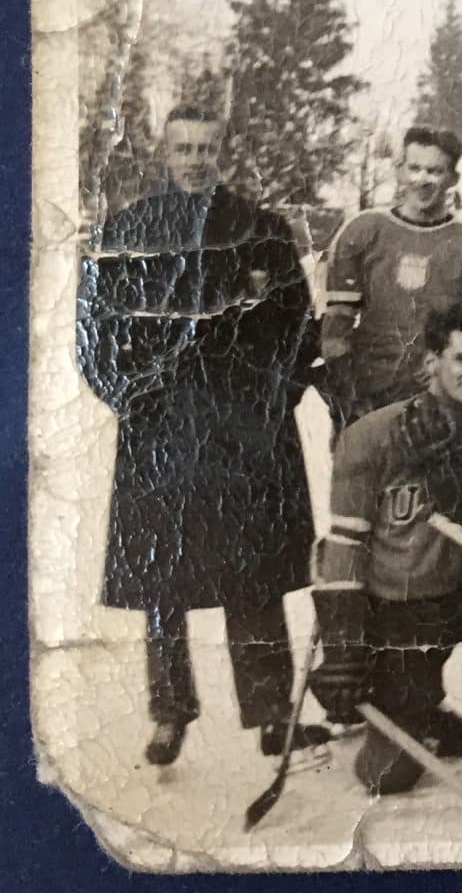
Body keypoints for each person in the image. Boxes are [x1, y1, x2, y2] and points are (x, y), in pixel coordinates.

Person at [77, 105, 328, 766]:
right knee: (164, 578)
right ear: (165, 151)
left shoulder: (263, 232)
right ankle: (169, 714)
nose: (194, 158)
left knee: (253, 575)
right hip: (160, 433)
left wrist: (273, 404)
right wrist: (130, 397)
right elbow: (93, 333)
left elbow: (299, 330)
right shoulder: (127, 230)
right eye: (183, 147)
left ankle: (273, 713)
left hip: (243, 436)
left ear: (224, 151)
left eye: (206, 147)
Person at [307, 303, 462, 796]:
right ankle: (417, 709)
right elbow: (344, 542)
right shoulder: (369, 435)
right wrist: (344, 646)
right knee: (388, 776)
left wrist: (455, 484)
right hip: (402, 603)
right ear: (431, 360)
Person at [320, 126, 462, 426]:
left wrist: (442, 364)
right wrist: (349, 395)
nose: (422, 180)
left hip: (442, 404)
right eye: (414, 168)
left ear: (453, 178)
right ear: (399, 171)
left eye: (435, 171)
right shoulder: (362, 230)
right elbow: (335, 329)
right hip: (367, 399)